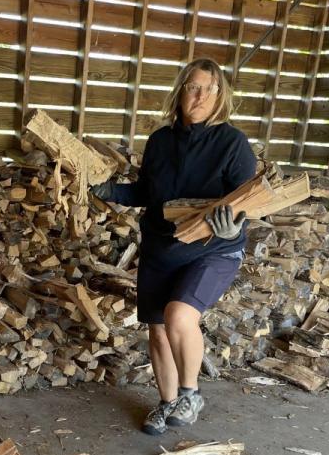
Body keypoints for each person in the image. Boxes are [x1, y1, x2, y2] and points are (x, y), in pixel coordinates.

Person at [91, 58, 257, 435]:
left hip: (214, 248)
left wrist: (233, 230)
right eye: (193, 87)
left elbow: (249, 202)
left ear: (220, 96)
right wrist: (110, 191)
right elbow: (147, 192)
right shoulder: (161, 141)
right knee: (158, 329)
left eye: (208, 89)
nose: (199, 96)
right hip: (162, 247)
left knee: (179, 315)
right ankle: (166, 404)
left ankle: (190, 394)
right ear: (181, 92)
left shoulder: (232, 144)